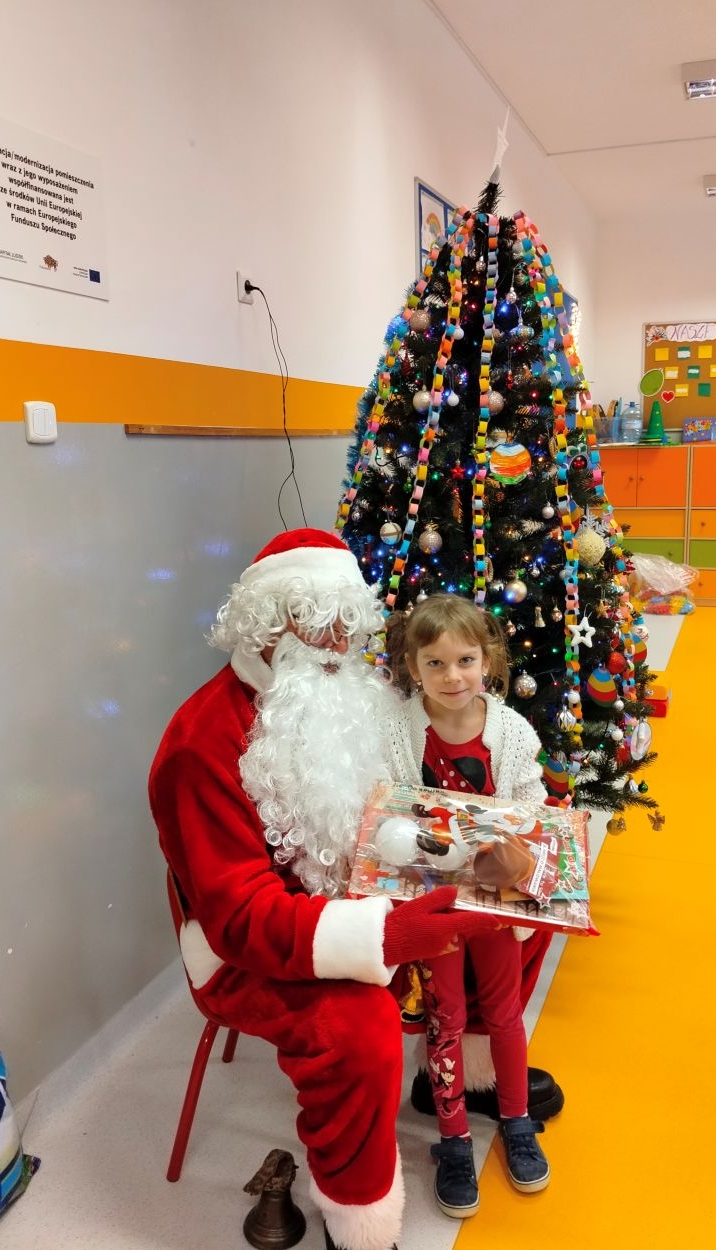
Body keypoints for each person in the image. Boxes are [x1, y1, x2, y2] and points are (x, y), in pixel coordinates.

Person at [148, 529, 505, 1250]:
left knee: (500, 917)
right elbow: (240, 919)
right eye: (318, 621)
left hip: (344, 899)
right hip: (246, 946)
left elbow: (375, 816)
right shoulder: (202, 741)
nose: (340, 643)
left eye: (349, 621)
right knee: (357, 1034)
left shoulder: (341, 697)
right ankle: (358, 1222)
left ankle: (457, 1078)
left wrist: (450, 852)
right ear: (265, 623)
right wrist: (392, 932)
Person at [383, 594, 552, 1219]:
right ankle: (453, 1138)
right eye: (435, 663)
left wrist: (509, 852)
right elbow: (387, 808)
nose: (452, 676)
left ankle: (516, 1120)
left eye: (465, 661)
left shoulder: (512, 732)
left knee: (504, 1014)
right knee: (446, 1016)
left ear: (488, 661)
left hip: (493, 901)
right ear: (413, 666)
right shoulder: (398, 730)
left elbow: (531, 810)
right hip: (435, 901)